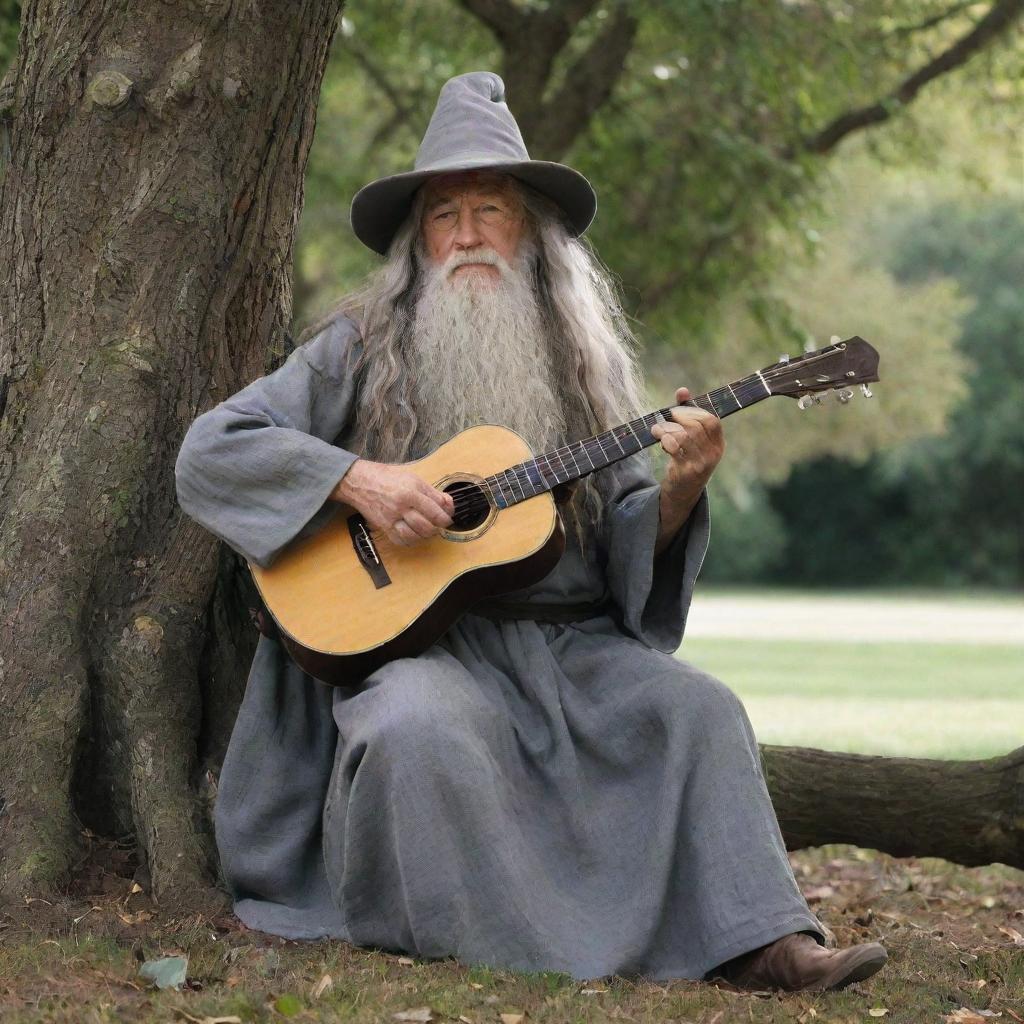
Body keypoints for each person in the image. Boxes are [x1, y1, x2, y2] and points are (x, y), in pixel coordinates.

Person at [175, 71, 887, 990]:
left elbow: (629, 537)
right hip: (409, 653)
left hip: (564, 654)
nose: (467, 233)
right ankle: (491, 955)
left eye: (490, 209)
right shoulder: (356, 344)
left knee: (699, 708)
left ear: (533, 231)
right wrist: (360, 481)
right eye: (443, 214)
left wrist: (680, 491)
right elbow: (212, 451)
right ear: (416, 239)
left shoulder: (581, 361)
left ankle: (763, 941)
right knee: (415, 729)